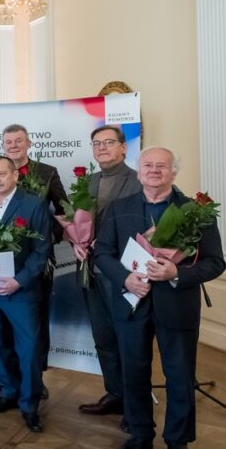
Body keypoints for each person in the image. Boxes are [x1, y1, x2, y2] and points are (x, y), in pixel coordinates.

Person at [94, 147, 225, 449]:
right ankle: (140, 434)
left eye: (161, 166)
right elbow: (103, 253)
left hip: (176, 305)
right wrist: (125, 278)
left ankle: (178, 443)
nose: (154, 170)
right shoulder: (118, 207)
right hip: (131, 304)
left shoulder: (195, 212)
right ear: (138, 171)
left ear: (173, 172)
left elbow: (215, 262)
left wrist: (176, 274)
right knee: (134, 373)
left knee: (179, 376)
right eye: (148, 165)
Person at [0, 156, 51, 434]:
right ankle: (8, 392)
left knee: (28, 350)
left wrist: (19, 280)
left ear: (15, 175)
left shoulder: (33, 204)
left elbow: (42, 251)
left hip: (20, 291)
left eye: (2, 174)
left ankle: (29, 405)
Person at [0, 124, 67, 389]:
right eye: (9, 142)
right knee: (0, 327)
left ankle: (35, 381)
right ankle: (10, 381)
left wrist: (42, 234)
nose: (14, 145)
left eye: (19, 141)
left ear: (28, 143)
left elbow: (64, 209)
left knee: (35, 326)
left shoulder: (47, 172)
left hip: (35, 263)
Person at [77, 126, 141, 420]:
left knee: (127, 340)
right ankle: (114, 394)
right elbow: (75, 221)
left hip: (123, 274)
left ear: (124, 147)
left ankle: (134, 406)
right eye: (96, 143)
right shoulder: (86, 182)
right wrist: (75, 242)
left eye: (108, 142)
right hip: (91, 272)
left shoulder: (138, 181)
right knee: (103, 338)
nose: (101, 148)